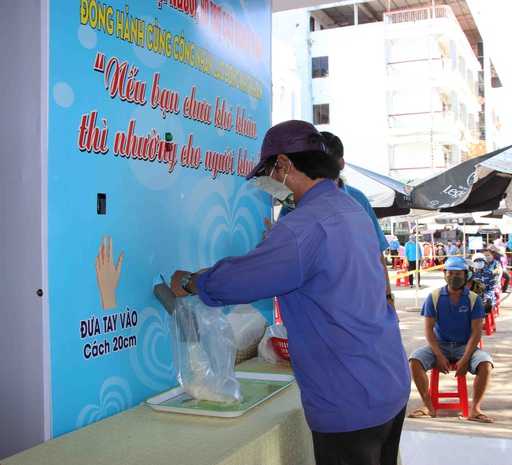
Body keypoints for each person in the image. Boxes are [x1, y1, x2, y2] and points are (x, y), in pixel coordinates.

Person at [170, 120, 410, 465]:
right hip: (388, 379)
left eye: (267, 171)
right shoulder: (352, 209)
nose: (267, 183)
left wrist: (193, 282)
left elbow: (245, 278)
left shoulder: (302, 225)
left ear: (283, 164)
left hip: (349, 396)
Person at [277, 130, 396, 310]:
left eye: (325, 162)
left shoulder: (359, 199)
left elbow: (376, 251)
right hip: (317, 303)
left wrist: (387, 296)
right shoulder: (293, 203)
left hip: (360, 301)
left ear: (340, 164)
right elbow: (284, 254)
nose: (318, 171)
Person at [406, 256, 494, 423]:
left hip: (464, 346)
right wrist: (438, 355)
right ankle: (427, 406)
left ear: (466, 275)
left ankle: (475, 409)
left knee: (486, 364)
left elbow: (476, 332)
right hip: (440, 345)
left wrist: (466, 358)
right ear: (444, 274)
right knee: (415, 359)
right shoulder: (434, 297)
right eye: (450, 273)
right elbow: (428, 330)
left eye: (458, 274)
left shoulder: (473, 299)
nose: (454, 277)